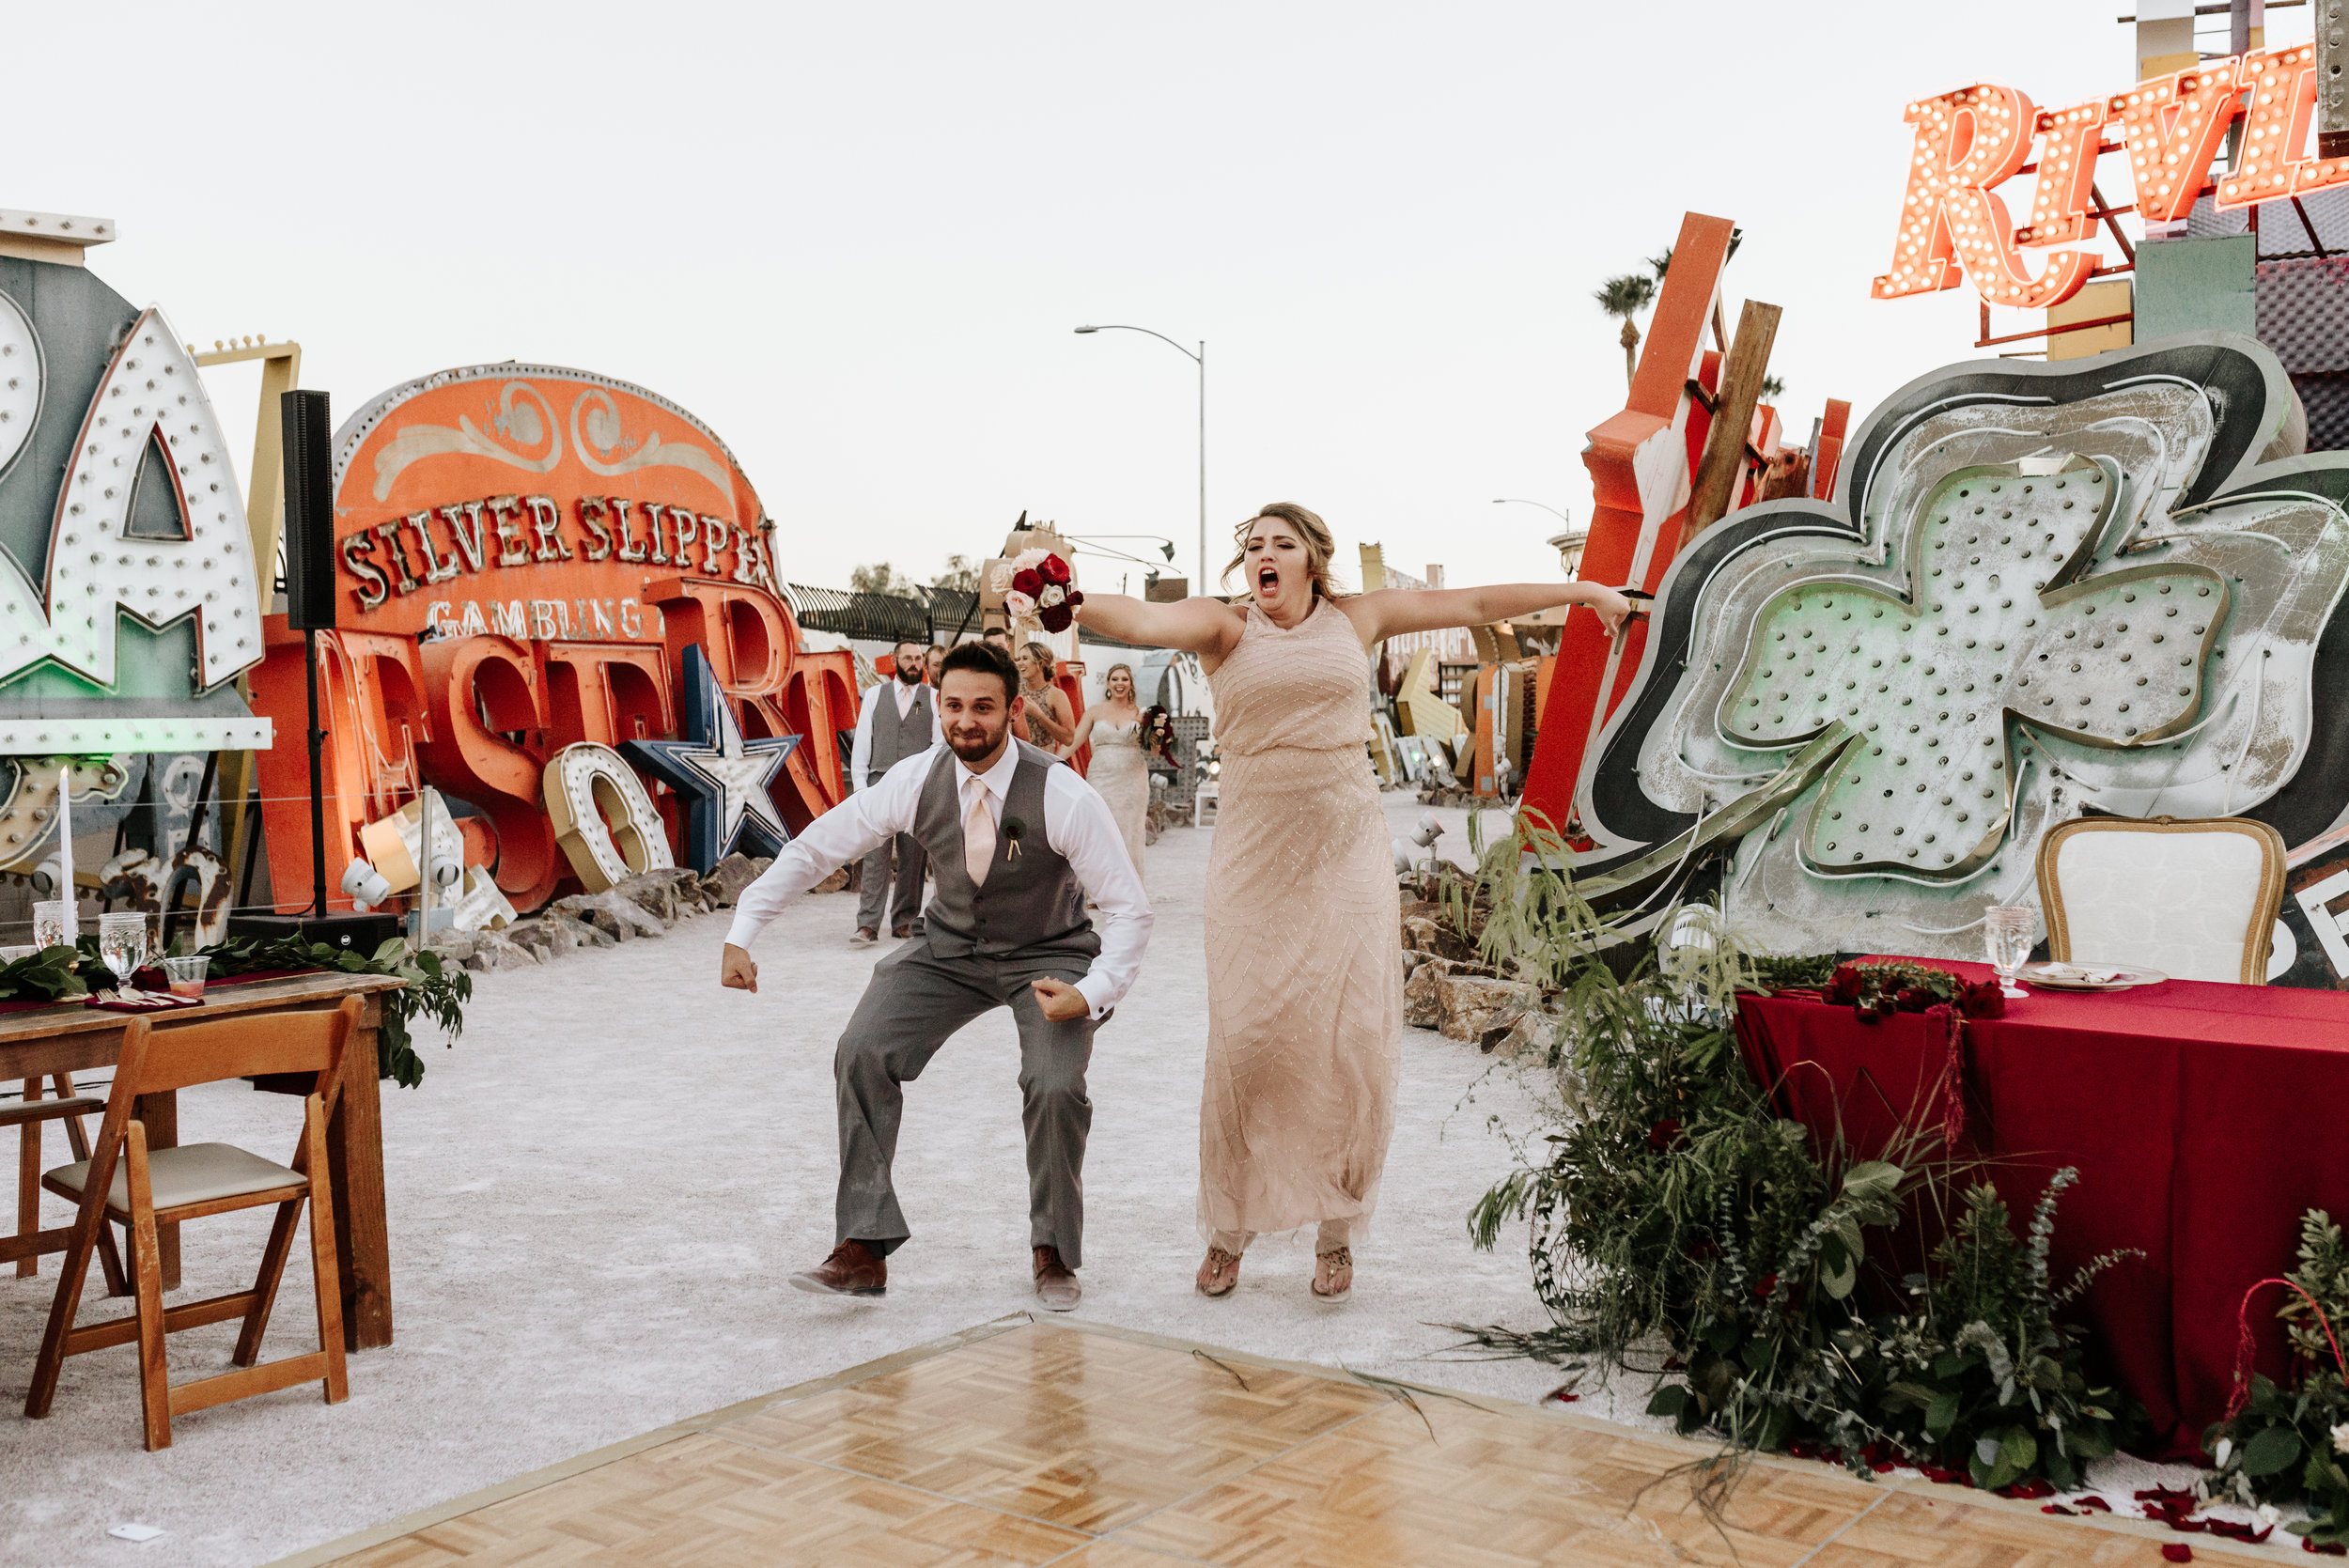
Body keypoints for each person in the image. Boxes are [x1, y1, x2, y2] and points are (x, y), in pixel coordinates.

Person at [1073, 503, 1630, 1303]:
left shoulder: (1356, 617)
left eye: (1281, 544)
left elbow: (1471, 604)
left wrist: (1586, 591)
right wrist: (1061, 597)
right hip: (1254, 858)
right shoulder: (1225, 627)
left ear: (1312, 557)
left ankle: (1336, 1228)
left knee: (1350, 1037)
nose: (1264, 556)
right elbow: (1139, 617)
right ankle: (1229, 1227)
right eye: (1253, 546)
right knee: (1248, 1039)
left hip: (1346, 853)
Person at [721, 642, 1154, 1311]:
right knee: (862, 1050)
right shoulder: (916, 778)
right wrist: (744, 928)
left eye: (983, 706)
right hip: (948, 948)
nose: (966, 720)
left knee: (1055, 1083)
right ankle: (863, 1247)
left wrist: (1092, 992)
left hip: (1049, 954)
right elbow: (818, 846)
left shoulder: (1065, 793)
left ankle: (1055, 1253)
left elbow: (1130, 910)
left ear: (1013, 709)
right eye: (953, 705)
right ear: (938, 706)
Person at [846, 639, 933, 944]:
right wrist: (860, 790)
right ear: (894, 659)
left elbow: (936, 748)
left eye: (918, 658)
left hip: (915, 788)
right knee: (874, 856)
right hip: (878, 785)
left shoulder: (932, 698)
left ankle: (905, 921)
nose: (914, 663)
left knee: (913, 857)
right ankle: (867, 924)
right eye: (908, 657)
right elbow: (862, 745)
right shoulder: (874, 695)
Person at [1059, 662, 1147, 877]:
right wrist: (1049, 761)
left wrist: (1160, 740)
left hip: (1133, 778)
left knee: (1130, 830)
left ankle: (1128, 885)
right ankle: (1100, 885)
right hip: (1101, 776)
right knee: (1100, 828)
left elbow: (1152, 750)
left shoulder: (1141, 714)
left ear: (1131, 684)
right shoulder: (1094, 712)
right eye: (1115, 679)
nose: (1120, 684)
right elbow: (1074, 741)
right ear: (1108, 683)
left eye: (1124, 679)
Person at [1016, 641, 1077, 751]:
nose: (1019, 663)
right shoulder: (1015, 690)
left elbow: (1069, 739)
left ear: (1041, 663)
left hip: (1043, 757)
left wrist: (1039, 716)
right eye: (1018, 659)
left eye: (1025, 658)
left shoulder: (1056, 695)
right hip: (1017, 754)